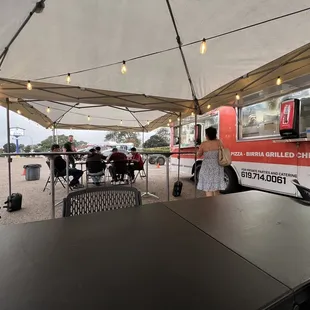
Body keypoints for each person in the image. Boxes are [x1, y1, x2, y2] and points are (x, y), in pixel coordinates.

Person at [197, 127, 226, 197]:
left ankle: (210, 205)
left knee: (208, 188)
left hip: (207, 168)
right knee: (216, 188)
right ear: (215, 134)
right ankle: (216, 204)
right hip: (217, 167)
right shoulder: (219, 142)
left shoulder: (204, 144)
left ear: (207, 135)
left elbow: (198, 155)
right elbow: (222, 152)